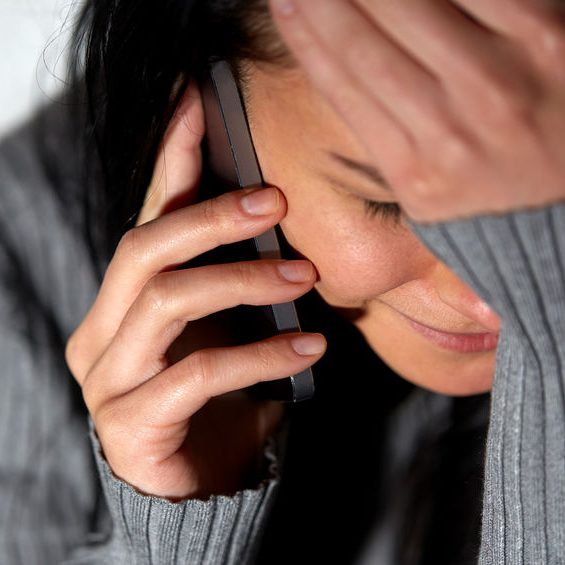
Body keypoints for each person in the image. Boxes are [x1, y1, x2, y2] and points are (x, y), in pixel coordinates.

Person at [1, 0, 564, 563]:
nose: (492, 304)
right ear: (215, 115)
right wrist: (170, 540)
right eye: (391, 203)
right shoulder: (22, 268)